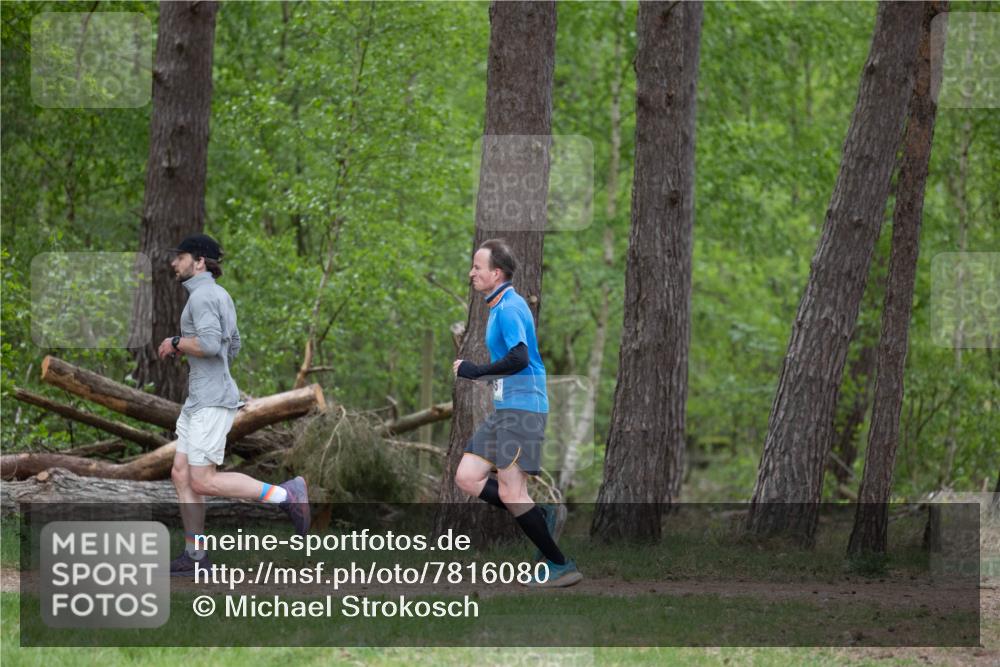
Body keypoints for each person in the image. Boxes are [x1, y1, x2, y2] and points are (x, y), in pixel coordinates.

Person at [161, 233, 309, 577]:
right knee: (180, 474)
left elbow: (212, 345)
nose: (174, 262)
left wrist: (177, 342)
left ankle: (286, 494)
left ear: (199, 262)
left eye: (180, 256)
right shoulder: (219, 295)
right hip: (201, 399)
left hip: (211, 402)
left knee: (202, 481)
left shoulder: (202, 298)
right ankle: (195, 557)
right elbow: (234, 344)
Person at [453, 238, 582, 588]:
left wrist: (474, 371)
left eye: (478, 267)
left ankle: (560, 565)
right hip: (507, 408)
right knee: (467, 477)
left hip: (524, 408)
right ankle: (540, 515)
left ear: (496, 273)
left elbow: (520, 358)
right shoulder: (499, 306)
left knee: (511, 492)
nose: (472, 273)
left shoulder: (510, 307)